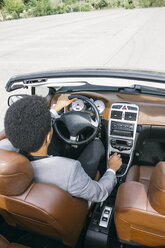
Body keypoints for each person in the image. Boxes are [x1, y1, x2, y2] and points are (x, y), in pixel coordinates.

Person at [0, 94, 122, 202]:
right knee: (97, 146)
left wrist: (53, 110)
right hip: (74, 209)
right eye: (50, 125)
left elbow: (27, 126)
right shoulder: (70, 170)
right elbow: (99, 193)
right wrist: (112, 170)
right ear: (48, 137)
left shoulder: (4, 149)